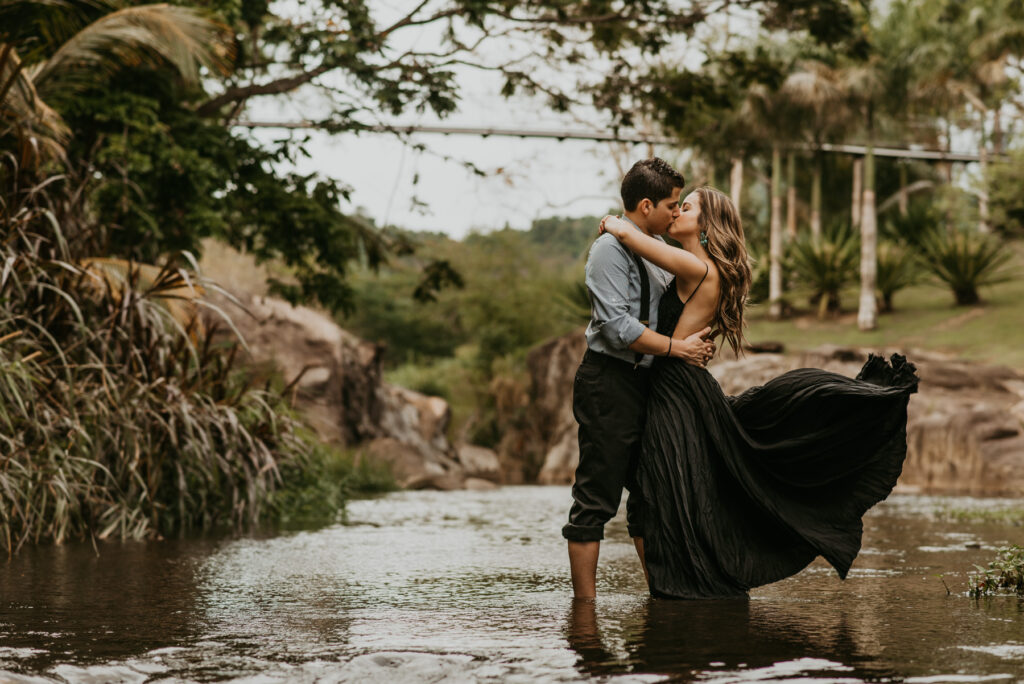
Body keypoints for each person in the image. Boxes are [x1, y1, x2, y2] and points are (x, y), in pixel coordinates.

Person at [599, 186, 918, 599]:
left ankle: (680, 591)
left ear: (707, 225)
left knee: (665, 492)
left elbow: (633, 238)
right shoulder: (697, 265)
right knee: (661, 494)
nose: (677, 212)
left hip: (674, 392)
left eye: (688, 207)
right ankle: (667, 591)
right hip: (679, 387)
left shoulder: (696, 265)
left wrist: (611, 224)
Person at [563, 159, 716, 600]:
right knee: (597, 494)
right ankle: (585, 612)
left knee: (649, 496)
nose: (675, 212)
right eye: (671, 205)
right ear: (645, 205)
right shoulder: (609, 250)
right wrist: (678, 349)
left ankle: (660, 594)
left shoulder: (653, 250)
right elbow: (617, 327)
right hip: (609, 382)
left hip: (647, 386)